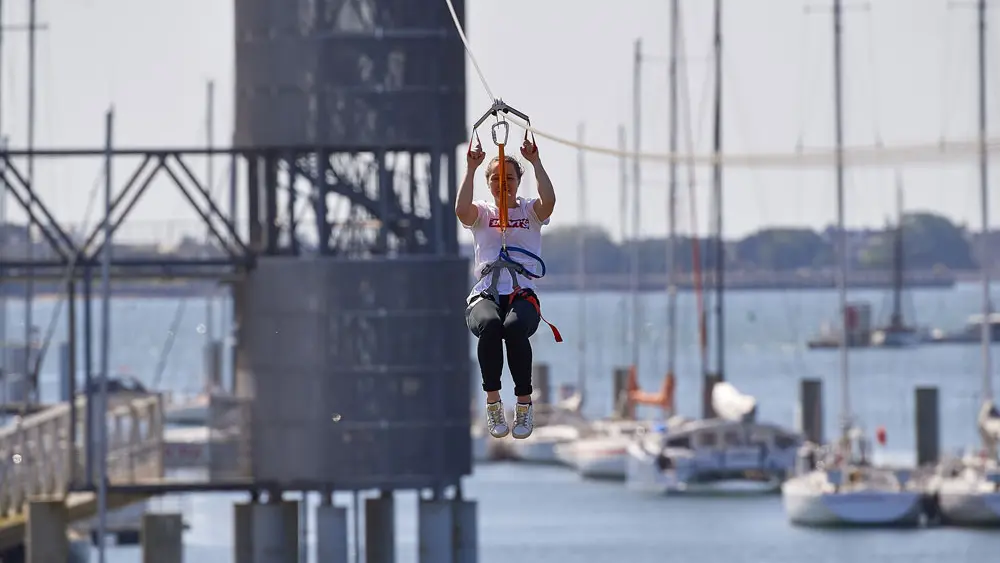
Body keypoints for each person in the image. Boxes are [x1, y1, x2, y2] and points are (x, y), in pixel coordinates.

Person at [455, 135, 556, 440]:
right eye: (497, 179)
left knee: (513, 328)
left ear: (518, 181)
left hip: (521, 295)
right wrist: (471, 169)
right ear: (488, 183)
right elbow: (461, 211)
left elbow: (549, 201)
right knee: (491, 324)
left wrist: (535, 161)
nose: (504, 183)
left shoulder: (529, 212)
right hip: (485, 294)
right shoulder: (483, 213)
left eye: (510, 178)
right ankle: (493, 401)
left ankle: (523, 404)